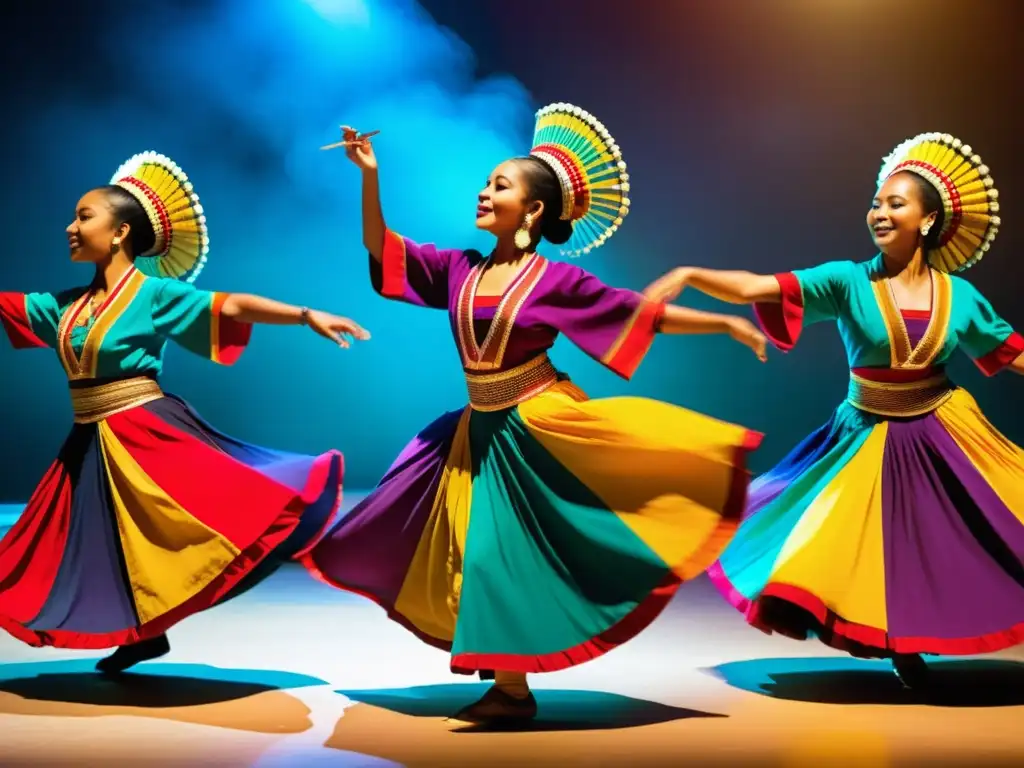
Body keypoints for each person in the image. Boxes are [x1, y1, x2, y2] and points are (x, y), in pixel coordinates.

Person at [303, 103, 767, 724]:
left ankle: (511, 688)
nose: (484, 191)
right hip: (476, 429)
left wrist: (724, 323)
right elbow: (382, 249)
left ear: (534, 210)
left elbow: (638, 314)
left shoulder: (555, 282)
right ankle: (507, 680)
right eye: (487, 182)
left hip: (535, 423)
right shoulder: (459, 268)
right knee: (446, 542)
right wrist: (368, 175)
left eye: (500, 185)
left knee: (503, 555)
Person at [644, 131, 1021, 688]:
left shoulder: (960, 296)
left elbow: (1010, 352)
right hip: (865, 432)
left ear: (927, 220)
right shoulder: (847, 280)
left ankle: (918, 640)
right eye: (876, 203)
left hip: (943, 428)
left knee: (966, 534)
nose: (879, 212)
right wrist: (689, 276)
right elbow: (757, 286)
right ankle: (902, 650)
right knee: (857, 546)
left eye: (896, 203)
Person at [0, 151, 369, 673]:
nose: (70, 227)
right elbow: (6, 304)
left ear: (121, 231)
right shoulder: (65, 306)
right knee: (97, 543)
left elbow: (230, 306)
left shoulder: (152, 295)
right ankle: (142, 637)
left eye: (84, 216)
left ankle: (148, 631)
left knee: (185, 528)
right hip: (88, 440)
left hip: (143, 430)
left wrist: (305, 315)